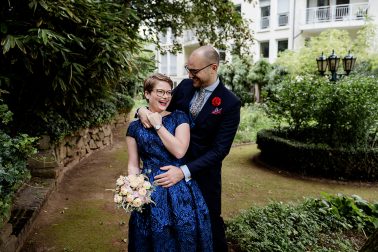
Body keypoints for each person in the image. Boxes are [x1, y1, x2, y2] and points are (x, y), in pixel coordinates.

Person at [138, 45, 241, 252]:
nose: (189, 74)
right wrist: (141, 110)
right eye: (188, 68)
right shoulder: (185, 87)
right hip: (169, 168)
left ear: (213, 68)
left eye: (194, 71)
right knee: (172, 226)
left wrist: (183, 171)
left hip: (203, 176)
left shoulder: (230, 103)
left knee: (210, 225)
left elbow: (220, 150)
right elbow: (158, 107)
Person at [126, 73, 213, 251]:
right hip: (149, 190)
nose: (165, 96)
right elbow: (134, 164)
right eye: (160, 92)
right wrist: (133, 190)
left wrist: (158, 126)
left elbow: (179, 150)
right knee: (149, 237)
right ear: (147, 94)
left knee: (183, 236)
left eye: (168, 92)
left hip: (179, 189)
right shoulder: (134, 127)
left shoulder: (180, 118)